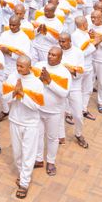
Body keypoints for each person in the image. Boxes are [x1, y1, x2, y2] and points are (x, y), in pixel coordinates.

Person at [1, 56, 44, 199]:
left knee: (28, 153)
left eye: (22, 66)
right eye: (17, 65)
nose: (18, 69)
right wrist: (14, 93)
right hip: (15, 120)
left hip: (30, 123)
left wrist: (22, 94)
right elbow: (4, 97)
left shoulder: (37, 83)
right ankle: (22, 174)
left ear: (29, 67)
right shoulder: (12, 77)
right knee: (17, 153)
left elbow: (36, 106)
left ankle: (24, 183)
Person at [33, 46, 70, 176]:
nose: (50, 56)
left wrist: (49, 81)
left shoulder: (64, 72)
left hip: (54, 112)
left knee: (52, 138)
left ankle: (51, 161)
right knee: (38, 135)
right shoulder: (39, 65)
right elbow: (31, 83)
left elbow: (64, 93)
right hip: (38, 108)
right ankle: (38, 159)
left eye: (53, 55)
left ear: (60, 58)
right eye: (49, 53)